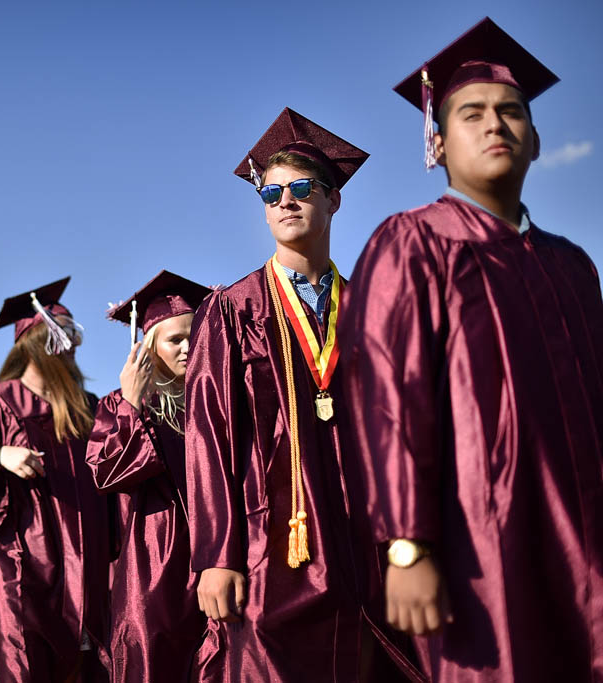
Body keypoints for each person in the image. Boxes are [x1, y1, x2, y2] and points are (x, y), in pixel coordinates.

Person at [339, 17, 603, 682]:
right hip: (477, 545)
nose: (496, 125)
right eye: (473, 113)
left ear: (537, 139)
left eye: (512, 111)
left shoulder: (573, 266)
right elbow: (385, 398)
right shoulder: (410, 245)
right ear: (438, 140)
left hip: (588, 535)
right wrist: (405, 544)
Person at [185, 108, 420, 681]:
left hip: (368, 544)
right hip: (277, 548)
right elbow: (210, 437)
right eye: (271, 193)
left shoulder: (370, 307)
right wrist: (217, 554)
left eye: (301, 188)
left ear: (333, 199)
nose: (284, 201)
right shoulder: (233, 309)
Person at [0, 277, 110, 682]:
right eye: (63, 336)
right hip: (18, 570)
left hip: (83, 569)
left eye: (74, 336)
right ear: (38, 343)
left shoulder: (88, 408)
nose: (73, 347)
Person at [85, 270, 213, 682]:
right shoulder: (121, 405)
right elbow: (106, 473)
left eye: (192, 335)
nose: (187, 347)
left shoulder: (218, 397)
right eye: (174, 340)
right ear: (146, 349)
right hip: (154, 574)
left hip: (218, 563)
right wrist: (131, 404)